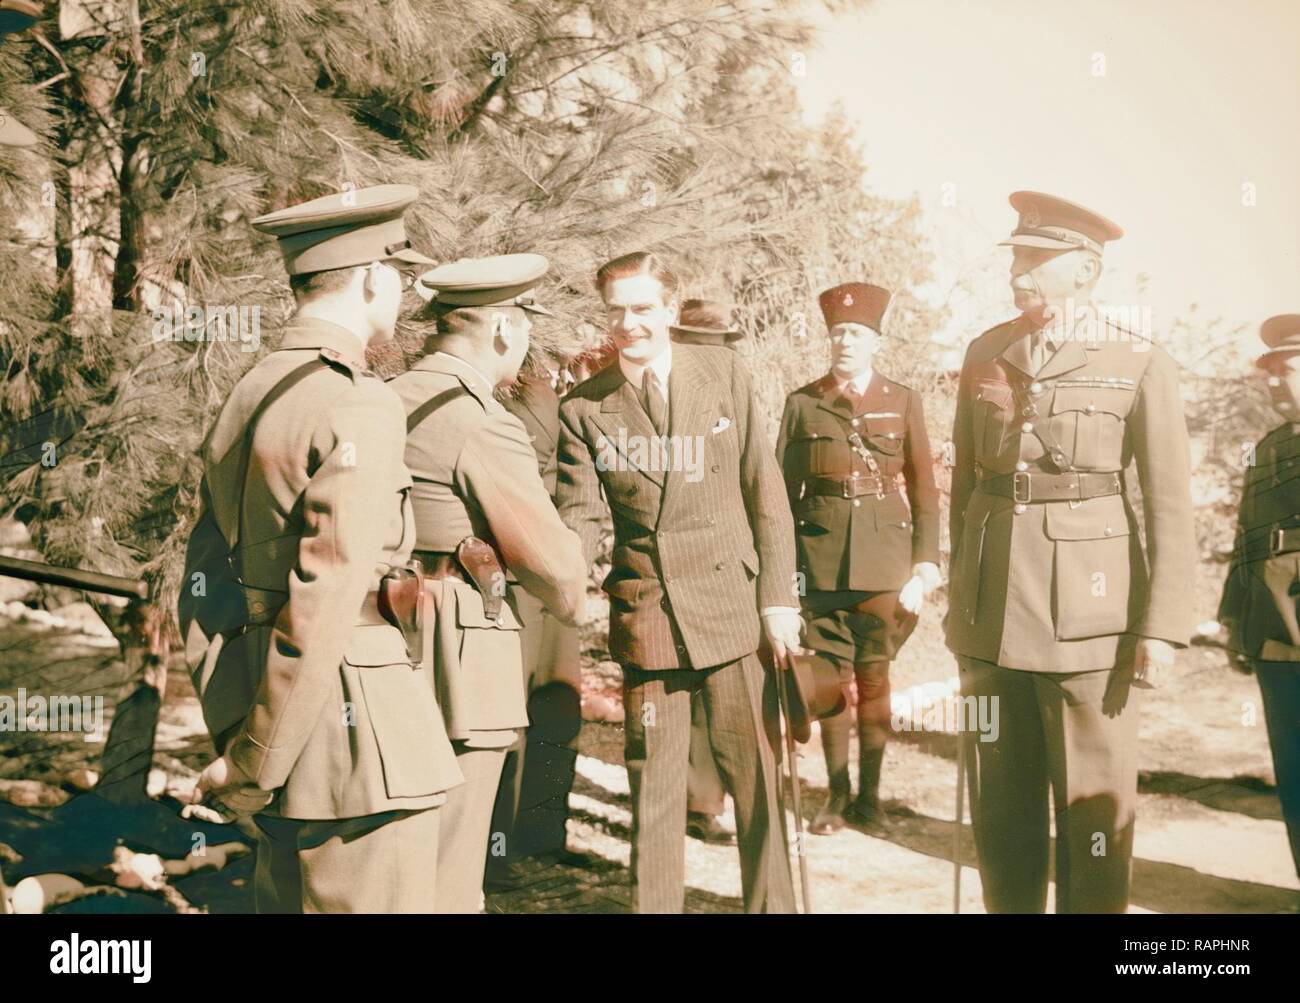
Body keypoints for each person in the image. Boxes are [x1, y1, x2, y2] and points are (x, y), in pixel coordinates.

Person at [179, 184, 462, 913]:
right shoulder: (359, 401)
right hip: (360, 751)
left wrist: (242, 735)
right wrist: (254, 761)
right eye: (397, 271)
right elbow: (326, 602)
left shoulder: (250, 390)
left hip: (277, 729)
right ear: (372, 277)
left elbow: (203, 584)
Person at [946, 191, 1196, 914]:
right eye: (1017, 257)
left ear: (1084, 270)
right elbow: (967, 486)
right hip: (991, 616)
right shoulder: (985, 352)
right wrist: (960, 602)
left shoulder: (1139, 359)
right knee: (1002, 811)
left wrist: (1160, 626)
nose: (1018, 272)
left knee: (1092, 814)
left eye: (1035, 259)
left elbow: (1169, 503)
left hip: (1090, 620)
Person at [556, 251, 798, 913]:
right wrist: (564, 578)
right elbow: (578, 513)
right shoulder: (584, 408)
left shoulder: (721, 372)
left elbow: (765, 491)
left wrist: (780, 598)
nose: (628, 323)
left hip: (733, 610)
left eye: (641, 308)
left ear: (668, 309)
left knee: (757, 787)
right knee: (655, 798)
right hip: (650, 619)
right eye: (616, 309)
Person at [388, 253, 587, 913]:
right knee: (451, 863)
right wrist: (577, 589)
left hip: (386, 641)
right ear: (503, 327)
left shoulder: (387, 396)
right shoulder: (482, 420)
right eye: (525, 322)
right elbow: (554, 565)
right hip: (460, 656)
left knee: (392, 853)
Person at [775, 282, 940, 834]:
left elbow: (925, 490)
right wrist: (782, 581)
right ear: (829, 339)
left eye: (857, 333)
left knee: (875, 682)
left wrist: (925, 564)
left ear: (876, 341)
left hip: (885, 565)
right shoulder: (803, 402)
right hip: (818, 563)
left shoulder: (902, 399)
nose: (846, 341)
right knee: (825, 686)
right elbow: (779, 496)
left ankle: (871, 797)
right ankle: (837, 797)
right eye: (838, 332)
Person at [484, 370, 588, 888]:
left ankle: (543, 833)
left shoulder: (558, 377)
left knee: (557, 703)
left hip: (555, 570)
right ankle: (492, 848)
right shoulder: (498, 383)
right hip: (507, 571)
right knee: (504, 717)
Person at [1218, 312, 1300, 883]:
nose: (1275, 382)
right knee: (1293, 774)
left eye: (1287, 369)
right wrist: (1233, 618)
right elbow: (1246, 538)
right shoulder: (1269, 448)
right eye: (1270, 372)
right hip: (1275, 635)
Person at [669, 299, 750, 846]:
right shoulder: (665, 393)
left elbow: (759, 476)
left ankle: (739, 799)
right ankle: (700, 802)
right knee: (692, 694)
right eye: (701, 344)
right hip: (681, 564)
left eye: (719, 344)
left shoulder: (737, 385)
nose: (711, 356)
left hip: (735, 559)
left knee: (736, 698)